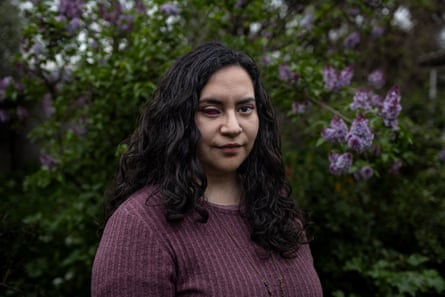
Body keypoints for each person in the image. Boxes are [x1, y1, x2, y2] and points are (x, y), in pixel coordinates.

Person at [91, 41, 322, 297]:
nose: (233, 126)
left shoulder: (278, 211)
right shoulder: (140, 225)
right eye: (212, 111)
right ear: (179, 120)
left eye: (245, 109)